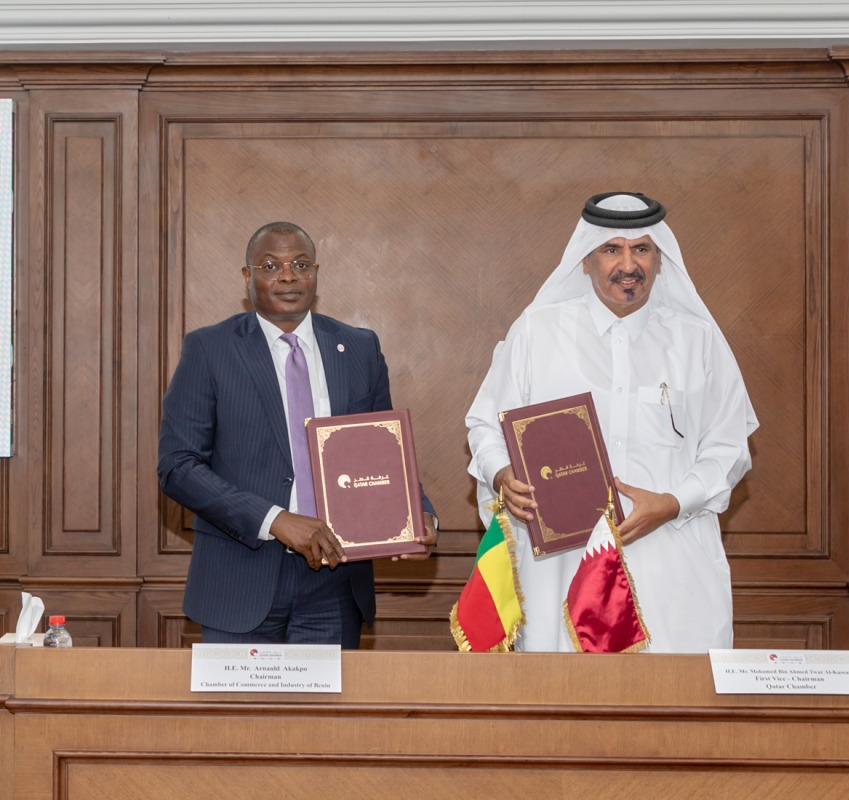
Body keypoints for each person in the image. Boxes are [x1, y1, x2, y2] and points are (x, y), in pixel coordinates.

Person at [465, 191, 758, 653]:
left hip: (672, 564)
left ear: (659, 261)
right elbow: (485, 426)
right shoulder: (538, 333)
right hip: (561, 571)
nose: (628, 264)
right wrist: (503, 474)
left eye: (641, 249)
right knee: (563, 711)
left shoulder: (697, 342)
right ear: (585, 260)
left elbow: (729, 448)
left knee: (676, 711)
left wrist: (674, 502)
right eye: (611, 249)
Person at [158, 221, 437, 647]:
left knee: (327, 717)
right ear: (248, 276)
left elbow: (383, 449)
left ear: (316, 273)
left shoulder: (359, 348)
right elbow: (177, 467)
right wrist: (275, 520)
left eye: (300, 264)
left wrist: (419, 513)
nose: (288, 276)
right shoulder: (210, 349)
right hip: (239, 581)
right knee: (239, 716)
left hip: (335, 583)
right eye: (271, 265)